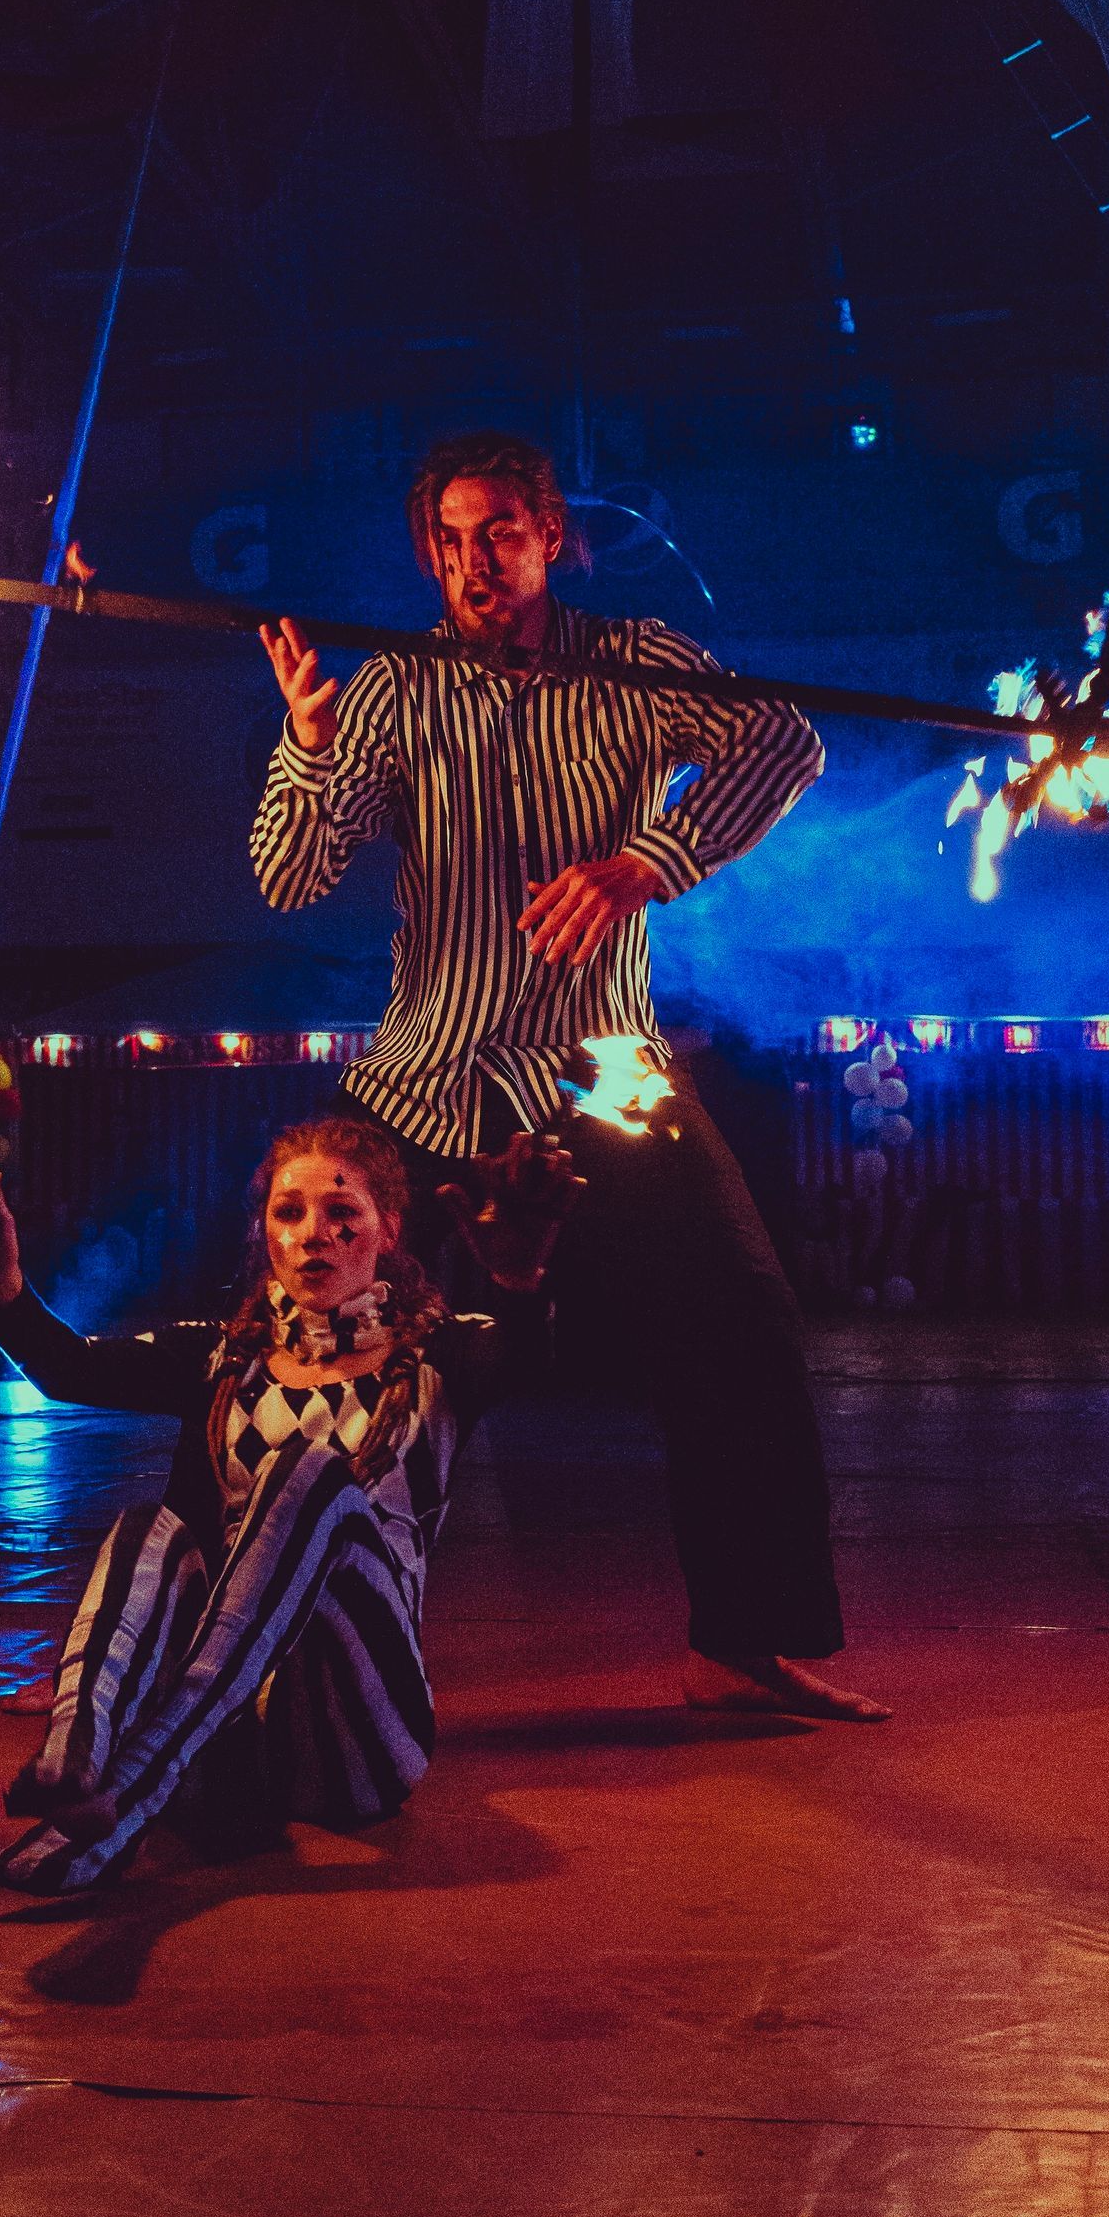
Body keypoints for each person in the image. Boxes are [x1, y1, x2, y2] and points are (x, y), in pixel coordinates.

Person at [252, 428, 888, 1724]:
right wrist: (310, 748)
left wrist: (646, 861)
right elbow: (289, 874)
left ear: (549, 535)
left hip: (603, 1072)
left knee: (742, 1332)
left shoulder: (639, 664)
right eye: (452, 538)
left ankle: (747, 1640)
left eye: (500, 531)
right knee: (297, 1356)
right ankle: (213, 1630)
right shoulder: (387, 691)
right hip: (428, 1076)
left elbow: (784, 743)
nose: (476, 559)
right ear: (430, 554)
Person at [0, 1114, 579, 1895]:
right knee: (148, 1527)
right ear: (266, 1231)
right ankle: (77, 1755)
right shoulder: (225, 1358)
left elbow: (530, 1360)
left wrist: (521, 1283)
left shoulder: (444, 1354)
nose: (313, 1234)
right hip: (231, 1756)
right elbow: (64, 1367)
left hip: (359, 1742)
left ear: (387, 1230)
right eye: (289, 1212)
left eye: (341, 1212)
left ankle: (137, 1779)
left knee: (310, 1472)